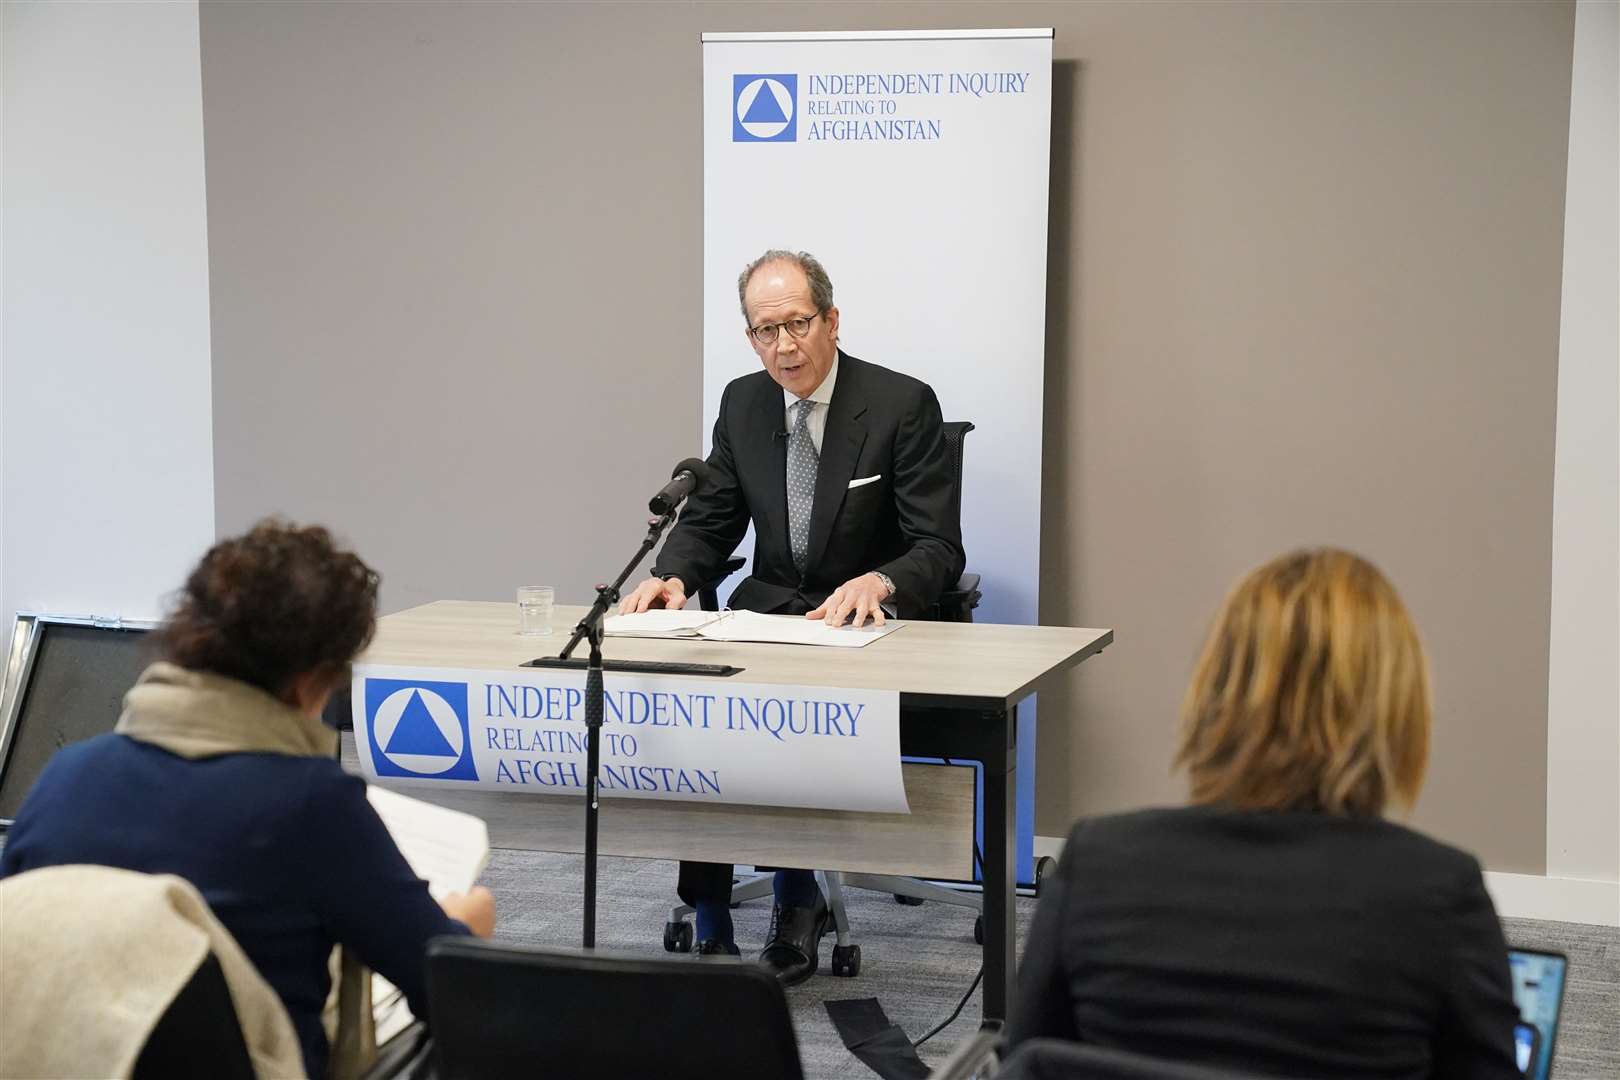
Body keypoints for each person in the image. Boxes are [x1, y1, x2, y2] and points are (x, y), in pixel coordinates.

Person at [0, 520, 496, 1079]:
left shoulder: (67, 775)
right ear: (317, 675)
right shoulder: (311, 804)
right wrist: (465, 924)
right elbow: (439, 981)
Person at [1009, 549, 1521, 1078]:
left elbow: (1027, 1061)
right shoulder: (1436, 893)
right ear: (1397, 706)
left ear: (1214, 689)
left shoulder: (1101, 859)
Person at [619, 249, 965, 982]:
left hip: (860, 628)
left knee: (794, 704)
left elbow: (938, 546)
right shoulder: (744, 404)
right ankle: (710, 910)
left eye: (797, 324)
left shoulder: (902, 405)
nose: (783, 346)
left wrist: (882, 579)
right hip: (771, 613)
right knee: (695, 705)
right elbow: (711, 522)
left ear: (831, 321)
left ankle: (796, 893)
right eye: (763, 331)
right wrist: (672, 578)